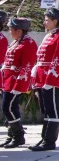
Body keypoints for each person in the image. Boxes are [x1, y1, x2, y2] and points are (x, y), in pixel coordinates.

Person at [29, 7, 59, 152]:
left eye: (47, 19)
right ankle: (44, 137)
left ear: (55, 21)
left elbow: (58, 59)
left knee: (52, 109)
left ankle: (50, 140)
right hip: (41, 77)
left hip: (50, 79)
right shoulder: (49, 36)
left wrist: (50, 80)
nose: (44, 22)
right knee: (45, 109)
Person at [1, 18, 37, 148]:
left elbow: (27, 65)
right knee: (11, 108)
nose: (9, 31)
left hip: (16, 81)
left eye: (11, 29)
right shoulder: (15, 42)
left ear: (19, 30)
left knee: (8, 107)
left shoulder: (29, 43)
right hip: (7, 80)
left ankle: (19, 135)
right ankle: (12, 135)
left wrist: (19, 84)